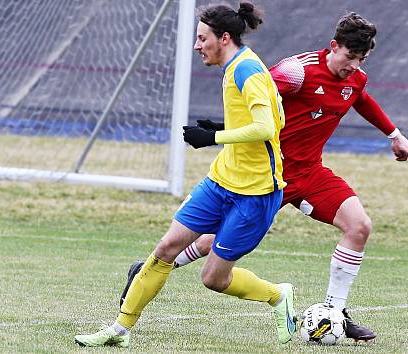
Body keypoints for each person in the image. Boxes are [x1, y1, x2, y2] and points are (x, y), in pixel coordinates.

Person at [121, 12, 408, 342]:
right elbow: (255, 96)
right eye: (349, 57)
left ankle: (335, 313)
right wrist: (223, 131)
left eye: (360, 60)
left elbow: (360, 98)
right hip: (266, 174)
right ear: (334, 46)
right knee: (210, 242)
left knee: (359, 226)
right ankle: (152, 268)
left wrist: (394, 135)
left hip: (310, 173)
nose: (353, 66)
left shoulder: (355, 79)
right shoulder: (296, 72)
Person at [74, 2, 297, 348]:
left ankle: (277, 296)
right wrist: (225, 126)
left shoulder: (247, 70)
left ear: (224, 38)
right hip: (221, 181)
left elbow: (268, 127)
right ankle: (119, 330)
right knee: (167, 246)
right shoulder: (238, 65)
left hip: (256, 192)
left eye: (202, 38)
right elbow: (274, 117)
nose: (197, 45)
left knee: (214, 278)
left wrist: (213, 137)